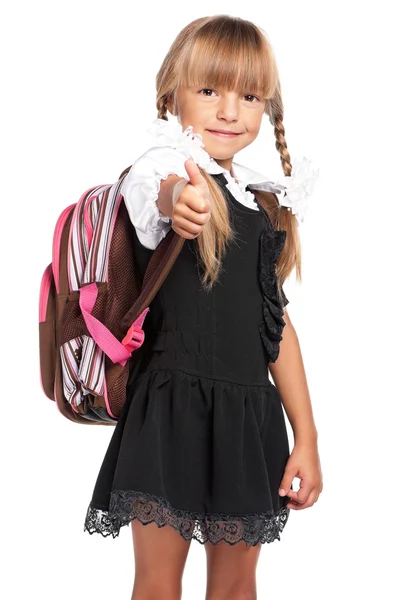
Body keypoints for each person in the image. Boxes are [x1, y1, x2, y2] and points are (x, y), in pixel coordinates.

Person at [84, 14, 323, 600]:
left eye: (248, 95)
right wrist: (179, 200)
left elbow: (276, 326)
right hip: (170, 411)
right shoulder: (163, 168)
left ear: (265, 107)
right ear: (173, 95)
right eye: (209, 90)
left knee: (238, 585)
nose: (229, 111)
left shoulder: (260, 204)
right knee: (159, 583)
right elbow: (154, 193)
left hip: (247, 418)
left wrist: (307, 435)